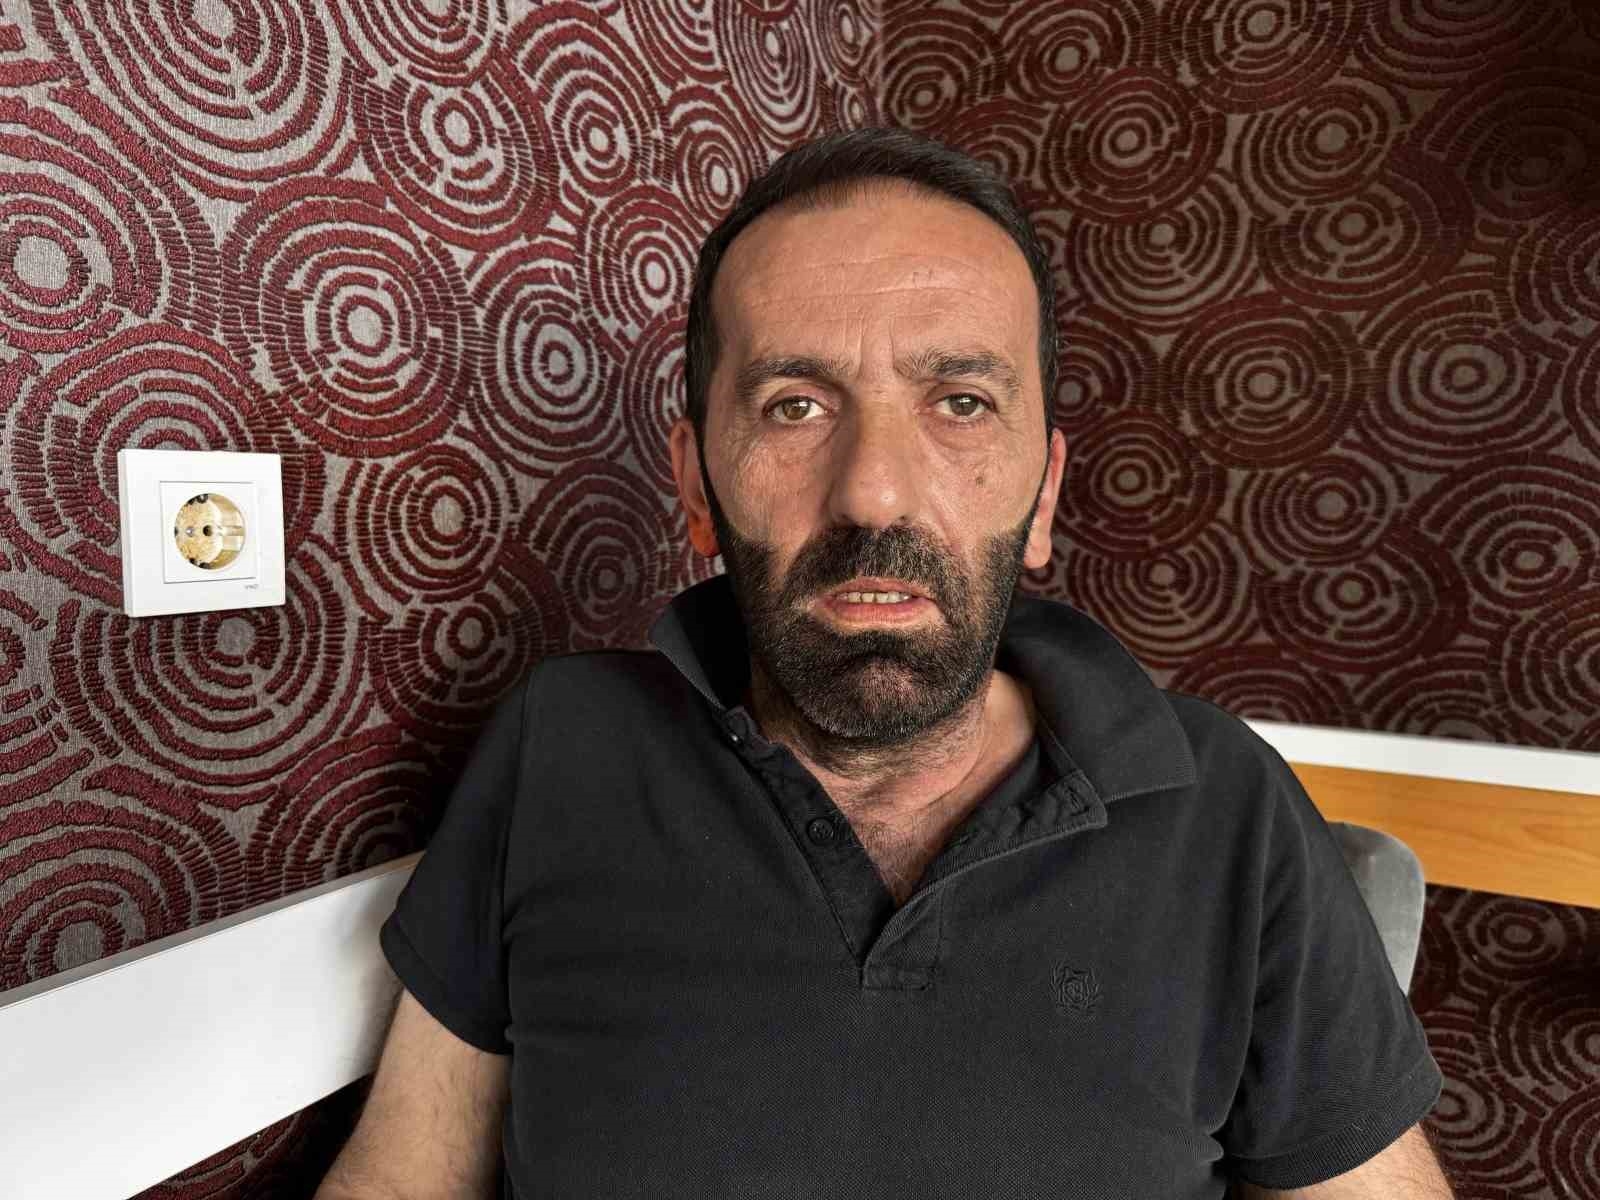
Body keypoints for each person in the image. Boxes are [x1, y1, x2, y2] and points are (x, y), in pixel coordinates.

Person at [315, 127, 1454, 1200]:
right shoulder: (562, 747)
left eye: (960, 402)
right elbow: (400, 1179)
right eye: (794, 405)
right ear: (697, 484)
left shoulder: (1225, 804)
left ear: (1044, 492)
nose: (874, 492)